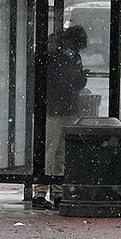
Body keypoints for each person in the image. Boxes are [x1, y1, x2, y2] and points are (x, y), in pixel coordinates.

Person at [37, 24, 91, 208]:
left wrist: (78, 79)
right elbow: (63, 81)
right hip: (58, 106)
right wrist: (77, 78)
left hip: (59, 105)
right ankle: (44, 191)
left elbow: (69, 82)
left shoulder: (61, 53)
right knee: (53, 149)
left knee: (56, 149)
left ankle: (53, 189)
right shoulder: (60, 54)